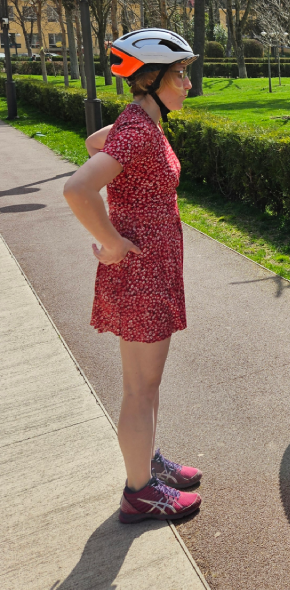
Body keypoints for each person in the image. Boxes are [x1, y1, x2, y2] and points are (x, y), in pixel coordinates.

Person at [63, 29, 203, 524]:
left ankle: (144, 461)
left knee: (140, 386)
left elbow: (92, 143)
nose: (188, 83)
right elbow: (78, 189)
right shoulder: (140, 131)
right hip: (141, 272)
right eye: (180, 74)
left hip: (150, 271)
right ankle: (140, 492)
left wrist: (114, 235)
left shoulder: (138, 124)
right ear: (150, 80)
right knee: (141, 388)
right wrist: (113, 241)